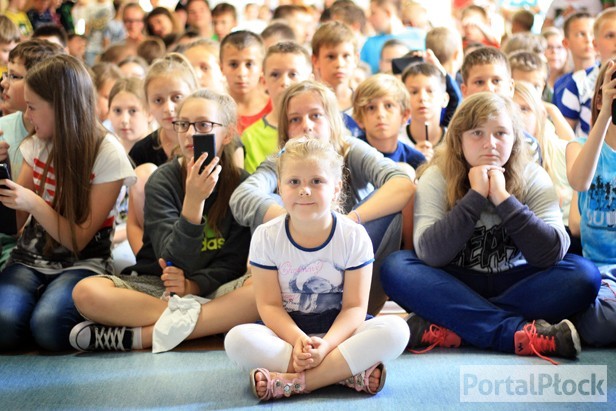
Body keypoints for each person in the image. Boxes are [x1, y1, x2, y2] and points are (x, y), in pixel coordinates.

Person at [380, 92, 601, 363]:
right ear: (459, 140)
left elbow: (552, 252)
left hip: (518, 283)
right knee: (396, 267)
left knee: (584, 275)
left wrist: (502, 198)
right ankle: (515, 332)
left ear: (514, 139)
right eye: (477, 133)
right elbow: (430, 253)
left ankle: (457, 324)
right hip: (455, 282)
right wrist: (474, 197)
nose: (490, 144)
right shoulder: (437, 176)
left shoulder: (533, 176)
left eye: (500, 133)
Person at [69, 89, 254, 352]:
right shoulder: (163, 180)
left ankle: (141, 337)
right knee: (86, 292)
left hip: (215, 289)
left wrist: (194, 284)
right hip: (159, 287)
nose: (191, 134)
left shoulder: (242, 185)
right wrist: (194, 201)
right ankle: (207, 326)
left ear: (228, 134)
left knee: (261, 291)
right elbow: (171, 260)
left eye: (203, 125)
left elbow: (233, 261)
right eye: (184, 124)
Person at [224, 138, 408, 401]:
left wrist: (326, 346)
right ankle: (344, 375)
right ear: (280, 186)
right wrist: (299, 340)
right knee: (237, 339)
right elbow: (269, 306)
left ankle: (292, 383)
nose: (304, 190)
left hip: (341, 336)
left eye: (316, 181)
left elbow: (355, 308)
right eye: (294, 182)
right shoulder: (266, 236)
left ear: (336, 188)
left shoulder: (353, 236)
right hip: (288, 338)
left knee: (396, 331)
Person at [230, 80, 414, 315]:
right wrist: (295, 219)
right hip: (297, 279)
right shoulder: (280, 162)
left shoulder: (350, 149)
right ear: (285, 129)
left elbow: (402, 184)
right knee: (280, 201)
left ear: (332, 121)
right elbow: (242, 195)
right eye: (295, 119)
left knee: (393, 199)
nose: (306, 125)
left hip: (353, 275)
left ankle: (360, 308)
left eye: (315, 115)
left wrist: (349, 221)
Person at [0, 55, 136, 351]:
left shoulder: (107, 151)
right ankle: (35, 307)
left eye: (33, 107)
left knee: (49, 328)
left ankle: (56, 314)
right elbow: (13, 225)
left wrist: (34, 203)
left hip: (84, 263)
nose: (28, 115)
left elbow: (79, 240)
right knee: (4, 325)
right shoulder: (37, 142)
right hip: (30, 259)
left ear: (60, 108)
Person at [127, 53, 198, 255]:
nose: (169, 108)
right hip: (158, 253)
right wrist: (152, 265)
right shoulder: (142, 151)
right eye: (158, 100)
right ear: (148, 106)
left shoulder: (213, 140)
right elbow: (133, 223)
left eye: (177, 97)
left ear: (193, 93)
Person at [567, 60, 616, 346]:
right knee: (602, 324)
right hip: (600, 273)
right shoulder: (577, 146)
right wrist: (605, 114)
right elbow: (580, 182)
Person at [242, 41, 313, 174]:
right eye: (275, 75)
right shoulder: (251, 137)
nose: (284, 82)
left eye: (293, 74)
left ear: (310, 80)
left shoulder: (319, 127)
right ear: (263, 82)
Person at [107, 76, 152, 272]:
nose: (124, 120)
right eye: (117, 111)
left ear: (149, 112)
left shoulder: (153, 154)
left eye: (133, 111)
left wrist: (115, 236)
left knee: (118, 262)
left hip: (140, 238)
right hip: (109, 233)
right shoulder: (106, 152)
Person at [352, 73, 424, 172]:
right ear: (359, 119)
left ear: (405, 115)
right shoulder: (350, 157)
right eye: (371, 107)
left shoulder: (416, 160)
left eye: (389, 106)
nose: (380, 114)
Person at [311, 21, 361, 137]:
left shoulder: (365, 105)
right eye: (331, 57)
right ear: (315, 60)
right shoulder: (308, 106)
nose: (339, 63)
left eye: (346, 56)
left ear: (356, 59)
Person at [220, 31, 271, 135]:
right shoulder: (214, 110)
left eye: (249, 64)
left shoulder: (276, 109)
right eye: (233, 64)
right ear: (221, 67)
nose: (241, 73)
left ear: (262, 67)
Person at [401, 62, 450, 162]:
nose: (422, 98)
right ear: (404, 99)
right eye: (414, 92)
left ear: (444, 99)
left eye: (430, 91)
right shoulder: (396, 141)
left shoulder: (455, 140)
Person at [360, 0, 425, 74]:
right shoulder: (369, 44)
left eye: (373, 13)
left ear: (388, 13)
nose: (369, 18)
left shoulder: (420, 37)